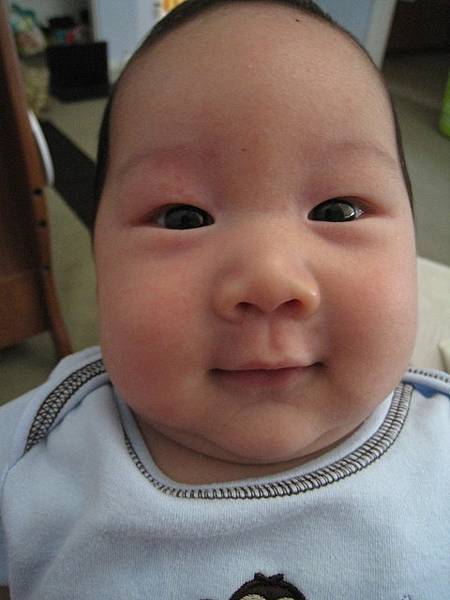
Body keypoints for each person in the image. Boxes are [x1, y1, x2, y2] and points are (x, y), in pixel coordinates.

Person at [1, 1, 449, 598]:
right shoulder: (40, 438)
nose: (270, 281)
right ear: (99, 259)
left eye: (338, 210)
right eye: (183, 218)